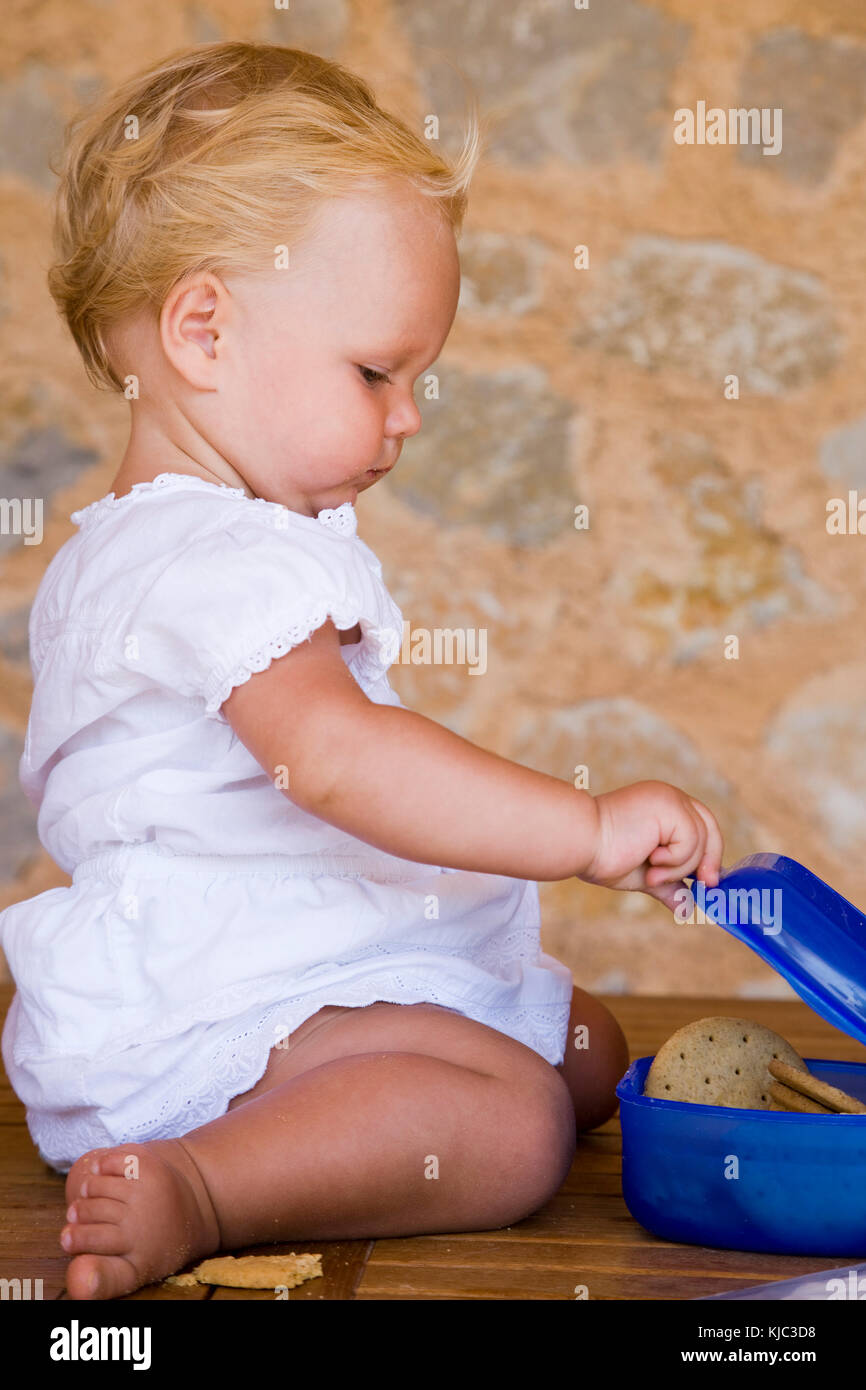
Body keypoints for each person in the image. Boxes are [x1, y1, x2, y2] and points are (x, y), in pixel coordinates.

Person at [0, 41, 723, 1299]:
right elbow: (334, 758)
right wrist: (587, 825)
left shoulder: (162, 542)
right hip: (218, 1007)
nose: (409, 418)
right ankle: (206, 1183)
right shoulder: (210, 556)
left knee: (583, 1047)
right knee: (514, 1125)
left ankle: (316, 1126)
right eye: (375, 372)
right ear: (205, 329)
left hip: (280, 961)